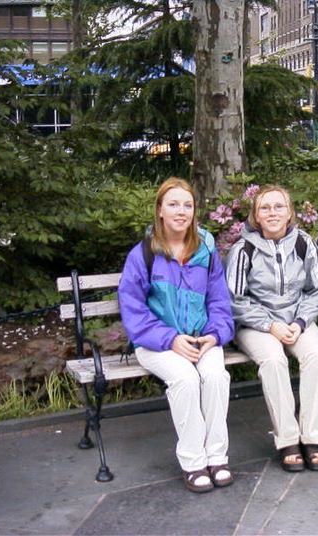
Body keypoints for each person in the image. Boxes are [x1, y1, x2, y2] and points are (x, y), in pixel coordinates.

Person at [118, 177, 235, 494]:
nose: (181, 211)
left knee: (214, 377)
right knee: (185, 379)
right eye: (173, 204)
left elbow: (219, 302)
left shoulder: (206, 251)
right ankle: (193, 461)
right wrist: (170, 339)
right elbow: (134, 312)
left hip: (202, 338)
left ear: (195, 211)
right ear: (159, 210)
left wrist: (214, 334)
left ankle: (217, 457)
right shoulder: (143, 254)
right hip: (156, 342)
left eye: (187, 204)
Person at [225, 185, 318, 472]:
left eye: (279, 206)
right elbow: (234, 299)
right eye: (265, 208)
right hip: (256, 325)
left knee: (316, 356)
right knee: (273, 360)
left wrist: (299, 322)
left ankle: (311, 436)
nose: (272, 213)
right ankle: (287, 439)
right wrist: (270, 324)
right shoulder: (243, 249)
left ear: (290, 213)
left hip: (297, 320)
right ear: (256, 216)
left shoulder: (304, 243)